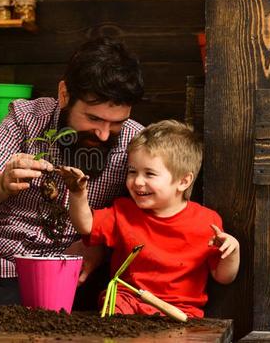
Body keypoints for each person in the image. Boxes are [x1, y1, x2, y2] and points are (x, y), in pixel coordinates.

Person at [0, 36, 145, 309]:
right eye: (93, 118)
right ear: (64, 94)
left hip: (47, 277)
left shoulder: (136, 142)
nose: (104, 133)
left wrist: (101, 245)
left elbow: (151, 224)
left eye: (117, 122)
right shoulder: (26, 119)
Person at [60, 120, 240, 318]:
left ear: (183, 181)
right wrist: (77, 194)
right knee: (113, 304)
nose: (137, 181)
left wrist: (232, 251)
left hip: (179, 311)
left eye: (150, 174)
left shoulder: (207, 221)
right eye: (132, 171)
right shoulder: (123, 212)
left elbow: (223, 276)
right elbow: (86, 226)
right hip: (128, 301)